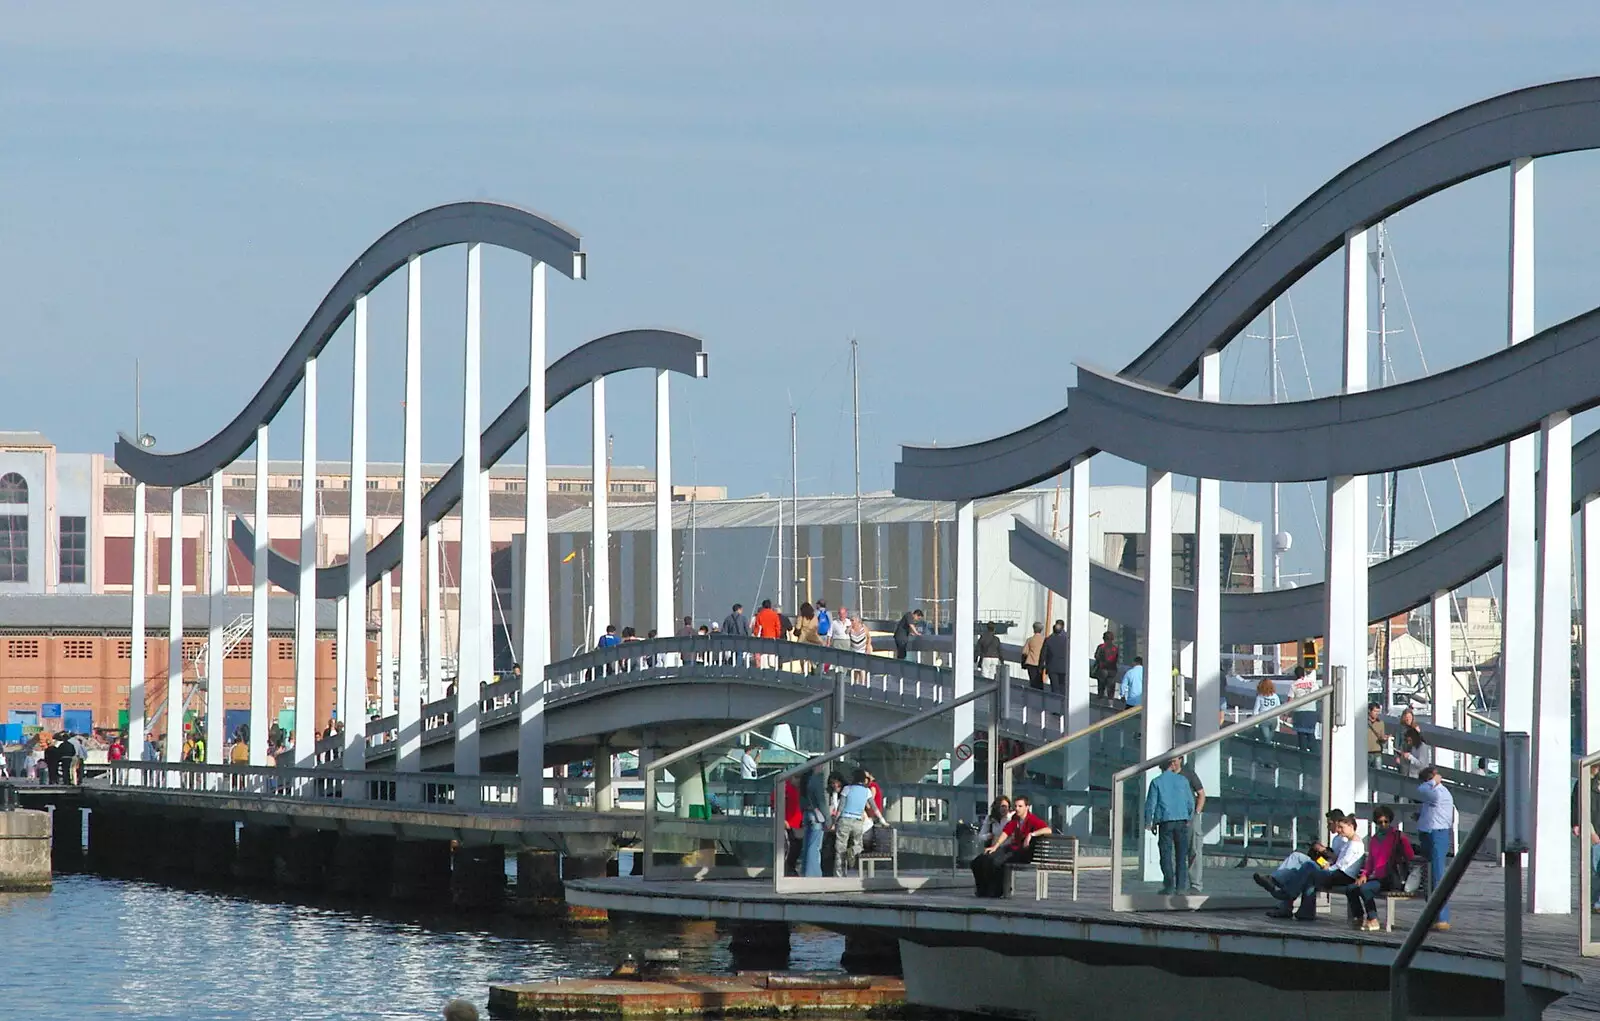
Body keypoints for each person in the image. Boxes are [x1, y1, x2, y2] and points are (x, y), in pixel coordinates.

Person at [1264, 813, 1365, 920]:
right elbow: (1338, 860)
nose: (1339, 830)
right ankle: (1303, 911)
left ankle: (1287, 894)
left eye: (1341, 827)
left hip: (1340, 875)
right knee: (1303, 869)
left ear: (1351, 826)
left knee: (1307, 867)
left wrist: (1327, 864)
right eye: (1339, 827)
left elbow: (1342, 864)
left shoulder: (1353, 844)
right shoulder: (1347, 841)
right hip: (1333, 869)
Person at [1345, 805, 1416, 930]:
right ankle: (1359, 917)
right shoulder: (1375, 839)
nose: (1383, 825)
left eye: (1386, 822)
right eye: (1380, 822)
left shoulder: (1397, 836)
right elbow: (1371, 861)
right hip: (1378, 877)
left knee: (1365, 889)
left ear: (1390, 821)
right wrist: (1364, 875)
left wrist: (1402, 850)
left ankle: (1373, 919)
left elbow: (1410, 855)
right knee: (1351, 888)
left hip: (1391, 877)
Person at [970, 795, 1052, 898]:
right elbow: (1006, 832)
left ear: (1027, 807)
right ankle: (982, 890)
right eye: (1016, 806)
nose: (1017, 808)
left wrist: (1031, 834)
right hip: (1012, 849)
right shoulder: (1015, 818)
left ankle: (997, 890)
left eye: (1020, 806)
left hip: (1023, 853)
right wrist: (995, 846)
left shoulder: (1032, 819)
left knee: (996, 862)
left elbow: (1048, 830)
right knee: (980, 861)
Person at [1144, 757, 1195, 895]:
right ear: (1171, 765)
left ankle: (1169, 885)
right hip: (1182, 821)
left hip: (1165, 821)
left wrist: (1150, 822)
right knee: (1181, 855)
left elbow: (1151, 804)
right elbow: (1191, 802)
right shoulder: (1183, 781)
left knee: (1165, 854)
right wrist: (1189, 817)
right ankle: (1181, 887)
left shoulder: (1156, 782)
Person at [1414, 767, 1455, 930]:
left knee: (1437, 875)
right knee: (1428, 876)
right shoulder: (1432, 792)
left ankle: (1442, 917)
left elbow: (1421, 790)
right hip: (1428, 831)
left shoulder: (1437, 791)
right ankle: (1431, 914)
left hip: (1437, 834)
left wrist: (1432, 781)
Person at [833, 769, 888, 876]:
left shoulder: (847, 789)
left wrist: (835, 820)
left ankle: (840, 874)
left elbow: (840, 807)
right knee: (859, 845)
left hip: (844, 820)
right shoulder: (867, 791)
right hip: (858, 821)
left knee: (840, 848)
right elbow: (874, 807)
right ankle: (853, 851)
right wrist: (882, 820)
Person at [1573, 763, 1600, 914]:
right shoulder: (1585, 784)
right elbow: (1579, 806)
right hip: (1593, 830)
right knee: (1595, 868)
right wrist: (1590, 832)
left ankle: (1595, 902)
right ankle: (1594, 902)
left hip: (1595, 827)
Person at [801, 762, 829, 877]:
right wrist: (828, 819)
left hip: (807, 813)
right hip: (816, 815)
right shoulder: (817, 780)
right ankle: (813, 874)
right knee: (815, 846)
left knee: (807, 844)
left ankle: (805, 871)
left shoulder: (805, 780)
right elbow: (821, 801)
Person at [1184, 762, 1207, 893]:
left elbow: (1201, 794)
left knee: (1194, 849)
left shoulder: (1189, 774)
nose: (1172, 764)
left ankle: (1195, 884)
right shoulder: (1167, 775)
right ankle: (1176, 883)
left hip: (1191, 816)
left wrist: (1197, 812)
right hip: (1174, 817)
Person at [1041, 620, 1068, 694]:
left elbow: (1043, 654)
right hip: (1064, 667)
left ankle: (1055, 703)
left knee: (1055, 688)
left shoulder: (1049, 639)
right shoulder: (1067, 639)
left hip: (1052, 667)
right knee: (1063, 687)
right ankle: (1063, 703)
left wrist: (1041, 666)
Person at [1092, 629, 1121, 699]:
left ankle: (1100, 700)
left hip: (1103, 669)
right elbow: (1117, 658)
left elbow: (1096, 656)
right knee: (1111, 688)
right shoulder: (1115, 648)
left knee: (1101, 686)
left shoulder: (1101, 647)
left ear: (1104, 638)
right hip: (1112, 670)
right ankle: (1110, 703)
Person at [1253, 676, 1283, 742]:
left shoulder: (1260, 697)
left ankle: (1266, 750)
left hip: (1263, 719)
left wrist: (1255, 722)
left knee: (1266, 738)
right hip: (1274, 719)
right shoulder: (1275, 696)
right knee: (1270, 737)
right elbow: (1279, 708)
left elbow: (1255, 711)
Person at [1021, 622, 1046, 690]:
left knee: (1032, 681)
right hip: (1041, 663)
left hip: (1031, 662)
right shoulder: (1044, 640)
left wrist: (1023, 663)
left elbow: (1024, 652)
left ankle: (1033, 695)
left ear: (1034, 629)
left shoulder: (1030, 639)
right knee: (1039, 680)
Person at [1366, 703, 1387, 768]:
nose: (1377, 713)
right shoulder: (1363, 722)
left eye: (1378, 712)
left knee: (1378, 773)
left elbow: (1382, 737)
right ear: (1369, 711)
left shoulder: (1380, 723)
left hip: (1377, 752)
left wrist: (1384, 739)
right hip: (1366, 752)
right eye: (1375, 711)